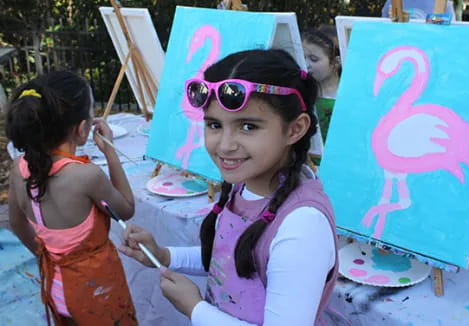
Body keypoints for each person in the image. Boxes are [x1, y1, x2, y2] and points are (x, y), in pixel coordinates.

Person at [120, 49, 339, 325]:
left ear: (295, 129)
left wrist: (195, 309)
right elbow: (228, 261)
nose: (224, 145)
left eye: (248, 126)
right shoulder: (244, 185)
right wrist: (165, 255)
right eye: (214, 124)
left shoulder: (302, 226)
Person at [6, 71, 137, 325]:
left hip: (54, 282)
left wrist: (49, 256)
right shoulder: (86, 176)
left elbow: (16, 223)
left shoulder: (19, 166)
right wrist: (110, 151)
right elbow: (127, 208)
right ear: (82, 129)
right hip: (95, 290)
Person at [302, 27, 341, 143]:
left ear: (336, 62)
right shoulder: (302, 93)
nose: (306, 65)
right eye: (302, 58)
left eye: (314, 59)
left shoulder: (348, 96)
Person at [381, 0, 456, 20]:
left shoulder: (443, 4)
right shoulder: (392, 2)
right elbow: (384, 31)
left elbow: (449, 34)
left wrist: (434, 19)